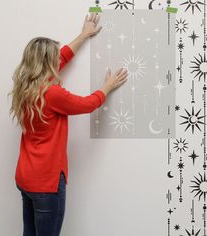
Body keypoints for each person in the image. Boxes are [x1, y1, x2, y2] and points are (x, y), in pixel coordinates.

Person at [8, 12, 128, 236]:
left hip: (25, 179)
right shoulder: (52, 93)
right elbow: (87, 104)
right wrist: (108, 86)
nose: (58, 60)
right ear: (46, 63)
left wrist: (83, 35)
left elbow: (61, 57)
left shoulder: (25, 86)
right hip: (46, 184)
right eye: (53, 57)